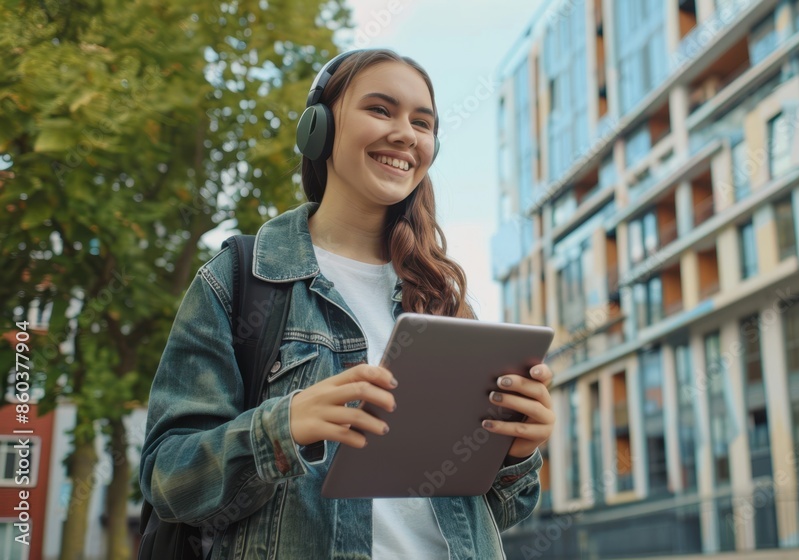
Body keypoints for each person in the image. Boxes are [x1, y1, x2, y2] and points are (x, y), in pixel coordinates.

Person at [139, 48, 555, 559]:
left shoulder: (445, 304)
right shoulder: (238, 280)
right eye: (380, 109)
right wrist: (283, 425)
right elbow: (168, 479)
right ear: (319, 128)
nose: (405, 133)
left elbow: (496, 511)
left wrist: (519, 449)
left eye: (421, 122)